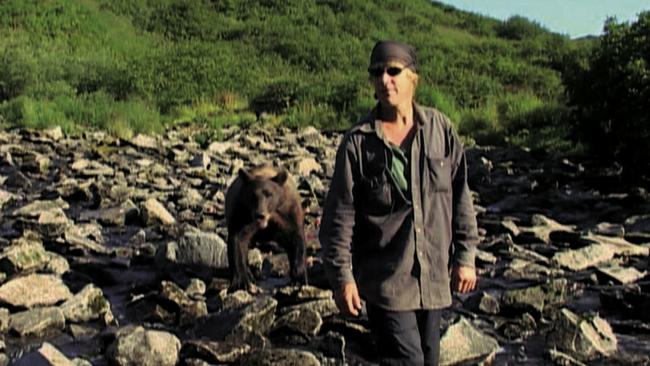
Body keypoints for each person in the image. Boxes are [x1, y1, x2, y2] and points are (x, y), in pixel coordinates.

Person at [319, 40, 479, 366]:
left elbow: (461, 196)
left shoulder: (440, 130)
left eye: (394, 71)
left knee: (430, 358)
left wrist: (466, 256)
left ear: (413, 78)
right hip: (386, 281)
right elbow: (339, 218)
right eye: (377, 73)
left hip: (433, 277)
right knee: (408, 361)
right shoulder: (357, 143)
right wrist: (342, 279)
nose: (385, 79)